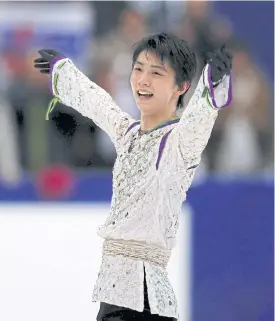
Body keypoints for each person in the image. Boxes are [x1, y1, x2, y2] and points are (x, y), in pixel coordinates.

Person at [34, 33, 232, 321]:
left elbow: (199, 119)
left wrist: (211, 86)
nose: (143, 80)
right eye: (138, 69)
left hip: (143, 303)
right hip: (115, 299)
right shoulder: (128, 135)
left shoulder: (177, 144)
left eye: (156, 73)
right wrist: (64, 71)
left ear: (181, 86)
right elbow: (99, 104)